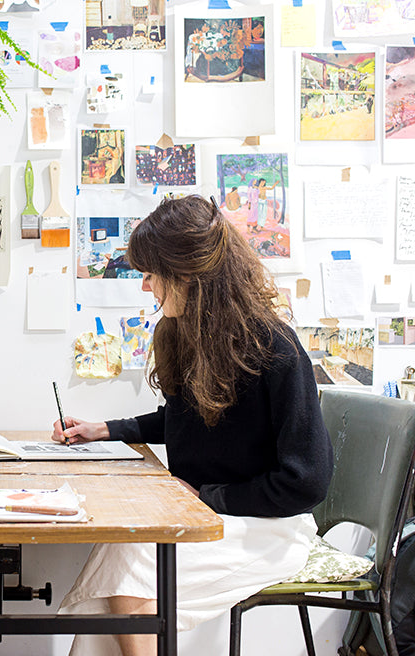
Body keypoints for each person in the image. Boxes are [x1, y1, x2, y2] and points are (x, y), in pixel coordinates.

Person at [53, 195, 333, 656]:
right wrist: (106, 429)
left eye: (150, 274)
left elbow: (307, 482)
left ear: (187, 275)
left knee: (127, 560)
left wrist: (206, 497)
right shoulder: (190, 335)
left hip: (263, 528)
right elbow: (188, 419)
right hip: (205, 517)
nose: (145, 287)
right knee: (124, 554)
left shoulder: (276, 350)